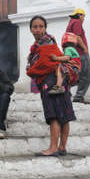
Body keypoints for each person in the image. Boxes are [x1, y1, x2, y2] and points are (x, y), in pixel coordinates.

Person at [27, 15, 76, 156]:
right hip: (59, 79)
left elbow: (45, 62)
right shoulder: (38, 46)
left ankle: (53, 148)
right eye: (35, 27)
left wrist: (32, 69)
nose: (38, 29)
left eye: (41, 26)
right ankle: (62, 147)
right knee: (65, 113)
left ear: (45, 28)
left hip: (51, 80)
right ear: (30, 29)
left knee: (54, 114)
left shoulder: (46, 41)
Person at [65, 8, 90, 104]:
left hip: (75, 53)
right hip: (81, 53)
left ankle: (65, 88)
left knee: (78, 75)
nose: (84, 19)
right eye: (83, 16)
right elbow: (78, 36)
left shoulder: (71, 23)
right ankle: (78, 96)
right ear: (80, 15)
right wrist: (84, 48)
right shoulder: (77, 22)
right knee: (87, 75)